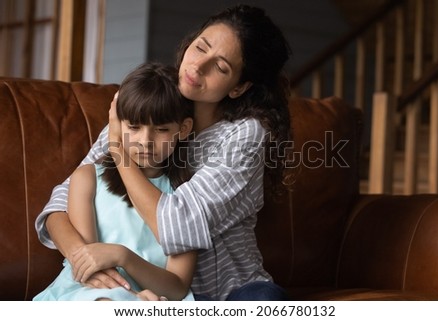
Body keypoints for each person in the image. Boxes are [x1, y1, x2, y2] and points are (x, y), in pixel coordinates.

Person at [36, 4, 292, 300]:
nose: (197, 67)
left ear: (238, 87)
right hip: (145, 290)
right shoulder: (144, 113)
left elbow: (177, 225)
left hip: (228, 292)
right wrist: (85, 260)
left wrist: (119, 150)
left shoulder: (244, 135)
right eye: (200, 48)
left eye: (221, 67)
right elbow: (60, 202)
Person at [34, 62, 195, 301]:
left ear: (183, 129)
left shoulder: (187, 195)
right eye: (134, 127)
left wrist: (124, 257)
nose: (145, 141)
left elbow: (178, 287)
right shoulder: (87, 178)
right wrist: (132, 297)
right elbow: (88, 266)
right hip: (87, 292)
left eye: (161, 129)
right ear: (117, 125)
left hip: (156, 299)